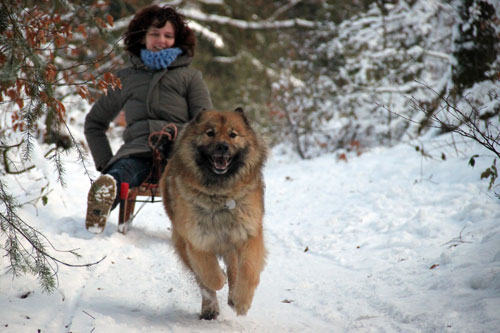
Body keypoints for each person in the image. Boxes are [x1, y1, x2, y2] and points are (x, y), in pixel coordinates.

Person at [84, 5, 212, 233]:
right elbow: (94, 123)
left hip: (180, 153)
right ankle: (105, 195)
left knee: (189, 180)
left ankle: (198, 228)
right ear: (142, 37)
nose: (160, 40)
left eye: (168, 35)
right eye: (154, 33)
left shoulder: (190, 77)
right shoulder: (125, 77)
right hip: (139, 150)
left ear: (177, 40)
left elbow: (207, 125)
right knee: (123, 171)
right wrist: (105, 163)